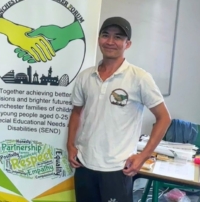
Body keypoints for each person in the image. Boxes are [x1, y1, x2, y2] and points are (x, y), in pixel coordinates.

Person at [67, 16, 171, 202]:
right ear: (99, 39)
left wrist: (142, 156)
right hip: (84, 165)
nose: (110, 42)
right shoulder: (85, 76)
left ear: (127, 43)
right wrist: (70, 145)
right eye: (105, 35)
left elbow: (163, 118)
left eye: (118, 37)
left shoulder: (139, 77)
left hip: (117, 169)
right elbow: (76, 112)